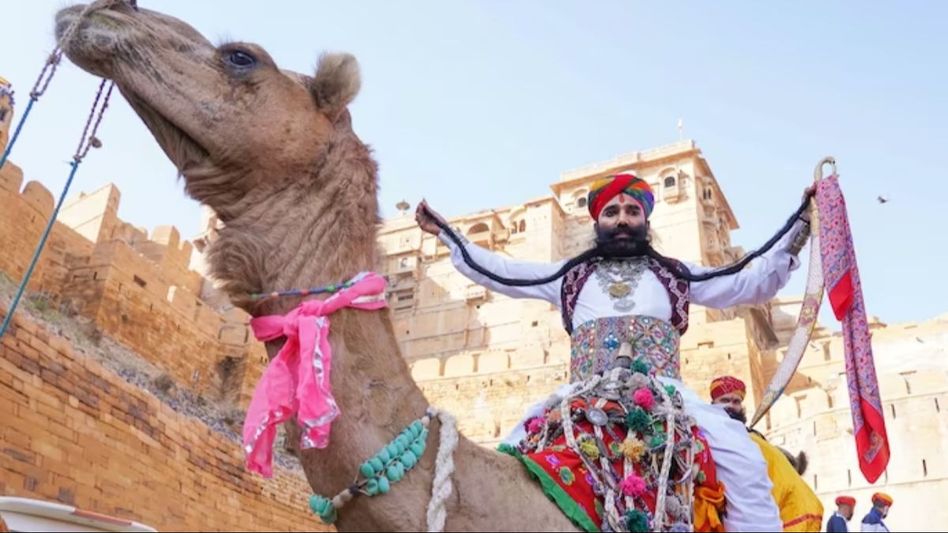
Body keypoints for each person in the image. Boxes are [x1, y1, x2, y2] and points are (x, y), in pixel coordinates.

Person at [417, 172, 812, 531]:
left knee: (745, 461)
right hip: (583, 393)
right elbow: (502, 272)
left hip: (668, 395)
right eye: (611, 212)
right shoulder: (569, 277)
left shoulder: (675, 274)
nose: (622, 219)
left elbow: (749, 283)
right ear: (597, 223)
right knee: (508, 461)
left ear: (646, 222)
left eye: (632, 211)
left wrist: (801, 225)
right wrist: (449, 236)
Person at [710, 376, 824, 531]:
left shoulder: (752, 439)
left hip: (777, 515)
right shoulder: (712, 435)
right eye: (725, 400)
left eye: (736, 401)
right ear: (712, 404)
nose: (731, 405)